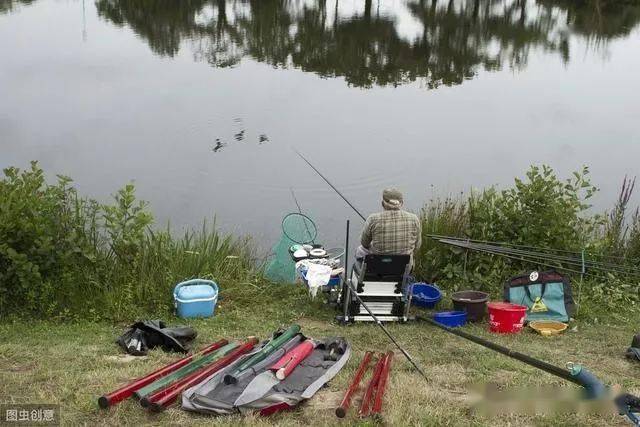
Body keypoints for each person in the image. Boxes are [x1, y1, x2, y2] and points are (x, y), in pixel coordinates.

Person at [356, 188, 422, 266]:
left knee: (360, 250)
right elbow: (417, 246)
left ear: (382, 204)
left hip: (379, 267)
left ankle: (361, 274)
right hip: (404, 268)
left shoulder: (373, 219)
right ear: (402, 203)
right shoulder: (414, 219)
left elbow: (364, 243)